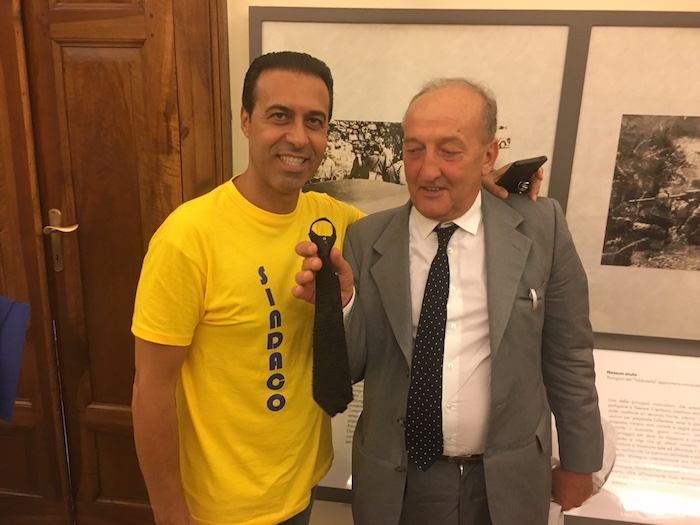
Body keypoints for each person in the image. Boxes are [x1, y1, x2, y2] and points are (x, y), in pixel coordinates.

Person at [132, 49, 541, 525]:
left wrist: (478, 180)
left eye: (314, 121)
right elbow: (151, 390)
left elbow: (419, 213)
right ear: (245, 120)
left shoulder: (338, 222)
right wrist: (169, 514)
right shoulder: (188, 238)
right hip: (218, 507)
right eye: (279, 116)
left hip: (300, 484)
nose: (298, 137)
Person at [294, 78, 603, 525]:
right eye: (414, 150)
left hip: (508, 479)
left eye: (450, 151)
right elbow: (355, 366)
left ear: (489, 156)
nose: (427, 170)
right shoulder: (366, 237)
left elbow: (569, 353)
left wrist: (580, 460)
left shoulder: (541, 228)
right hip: (399, 481)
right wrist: (340, 309)